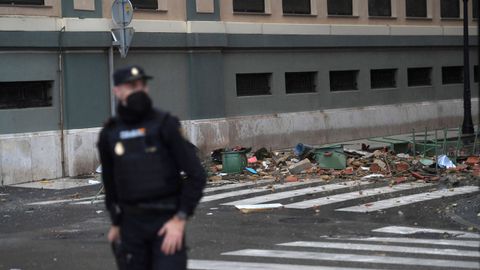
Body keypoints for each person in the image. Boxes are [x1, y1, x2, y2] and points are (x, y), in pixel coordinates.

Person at [97, 65, 206, 270]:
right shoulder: (110, 133)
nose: (139, 90)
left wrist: (180, 219)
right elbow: (110, 183)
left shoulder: (165, 125)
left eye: (142, 85)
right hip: (131, 226)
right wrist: (116, 223)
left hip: (165, 224)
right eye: (131, 86)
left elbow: (196, 174)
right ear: (117, 91)